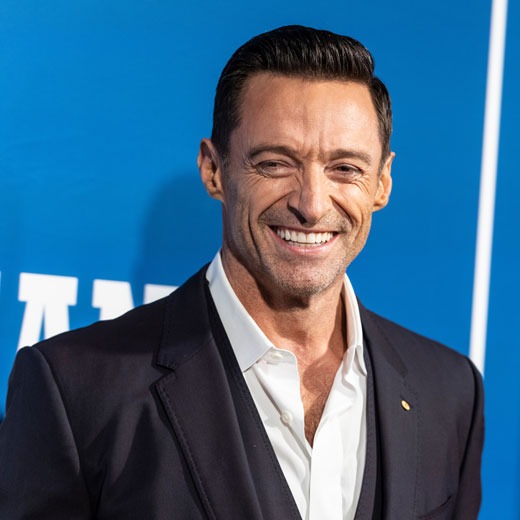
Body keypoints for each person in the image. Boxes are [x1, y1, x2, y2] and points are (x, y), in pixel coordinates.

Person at [0, 25, 484, 519]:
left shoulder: (449, 392)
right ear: (214, 170)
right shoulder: (76, 389)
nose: (312, 205)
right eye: (275, 164)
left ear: (382, 183)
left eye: (345, 169)